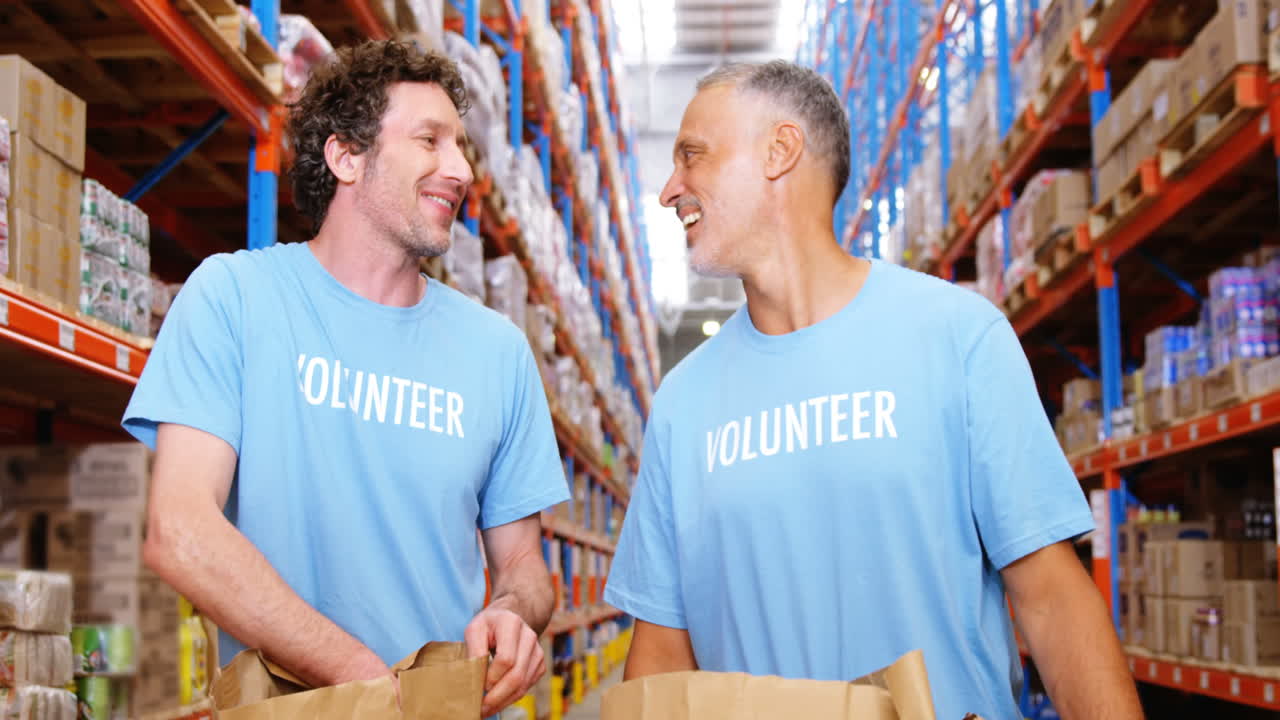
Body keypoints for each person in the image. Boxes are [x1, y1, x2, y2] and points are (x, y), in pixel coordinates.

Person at [603, 60, 1143, 720]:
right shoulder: (682, 403)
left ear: (780, 151)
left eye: (692, 156)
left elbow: (1052, 600)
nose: (669, 191)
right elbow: (662, 650)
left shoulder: (957, 337)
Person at [123, 40, 567, 717]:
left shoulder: (499, 351)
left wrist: (513, 614)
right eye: (430, 140)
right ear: (346, 157)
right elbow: (180, 530)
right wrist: (369, 685)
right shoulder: (235, 298)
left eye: (460, 146)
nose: (459, 169)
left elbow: (525, 567)